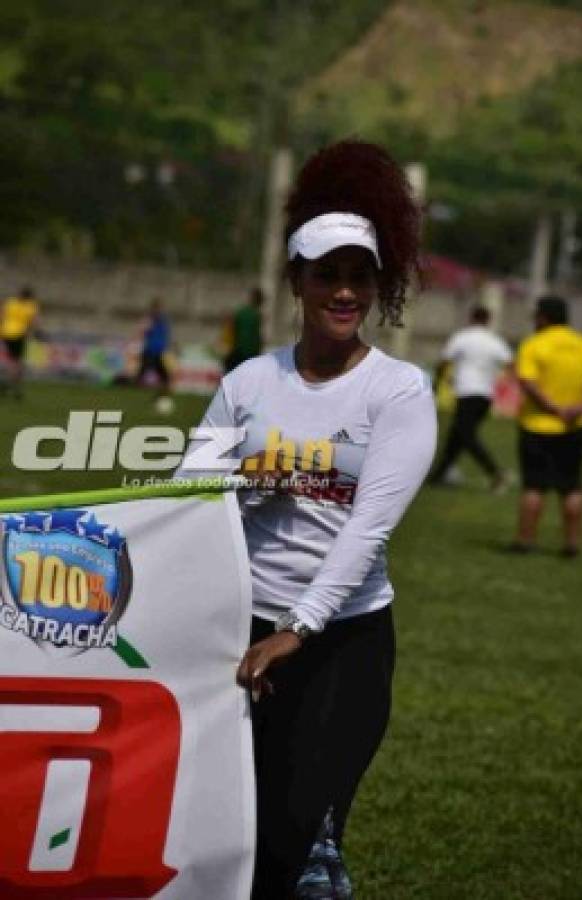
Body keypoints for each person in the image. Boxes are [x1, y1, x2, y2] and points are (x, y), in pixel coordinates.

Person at [179, 140, 437, 899]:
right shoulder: (248, 382)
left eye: (360, 276)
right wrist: (252, 483)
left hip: (341, 642)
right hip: (236, 629)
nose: (344, 291)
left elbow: (369, 527)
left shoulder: (398, 391)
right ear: (295, 280)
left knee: (300, 836)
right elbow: (187, 497)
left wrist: (298, 628)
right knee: (232, 837)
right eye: (326, 274)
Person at [510, 295, 582, 557]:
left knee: (534, 486)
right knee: (572, 487)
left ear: (543, 317)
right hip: (575, 427)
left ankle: (525, 541)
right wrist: (579, 409)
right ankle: (572, 544)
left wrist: (553, 408)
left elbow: (528, 382)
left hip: (537, 426)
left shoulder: (534, 344)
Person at [430, 305, 512, 491]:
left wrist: (436, 383)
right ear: (489, 320)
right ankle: (437, 477)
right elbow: (510, 363)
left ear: (471, 318)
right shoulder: (494, 340)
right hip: (485, 396)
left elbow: (444, 362)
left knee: (465, 434)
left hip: (467, 392)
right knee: (456, 437)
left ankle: (495, 473)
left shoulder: (462, 337)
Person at [0, 285, 39, 398]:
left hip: (6, 333)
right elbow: (34, 321)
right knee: (17, 361)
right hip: (19, 334)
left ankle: (9, 383)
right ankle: (13, 385)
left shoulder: (11, 302)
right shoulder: (31, 306)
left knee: (12, 360)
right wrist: (34, 333)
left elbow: (2, 315)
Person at [136, 298, 172, 405]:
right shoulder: (150, 319)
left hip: (158, 351)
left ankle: (160, 394)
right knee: (145, 373)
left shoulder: (163, 320)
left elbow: (166, 335)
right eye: (157, 307)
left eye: (160, 308)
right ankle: (139, 394)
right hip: (150, 350)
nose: (159, 310)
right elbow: (143, 331)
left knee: (163, 375)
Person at [224, 286, 264, 372]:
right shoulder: (256, 315)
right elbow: (256, 337)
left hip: (237, 351)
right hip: (249, 353)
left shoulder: (241, 312)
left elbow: (231, 330)